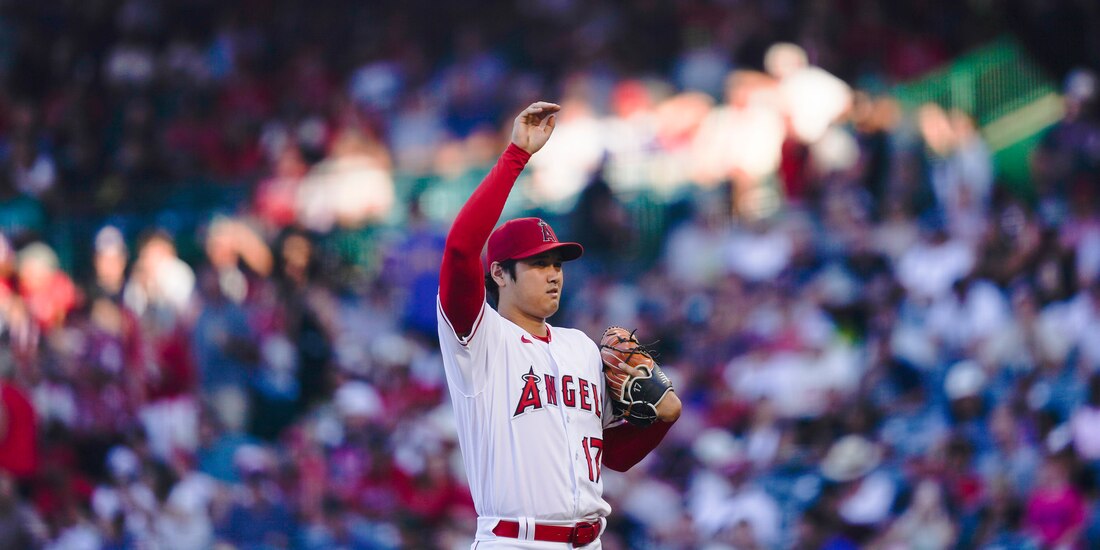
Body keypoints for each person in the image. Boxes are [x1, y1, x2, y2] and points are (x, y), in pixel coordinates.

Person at [437, 101, 681, 549]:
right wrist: (515, 156)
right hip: (515, 541)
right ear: (499, 274)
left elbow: (614, 457)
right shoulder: (478, 337)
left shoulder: (582, 348)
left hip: (589, 541)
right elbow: (458, 250)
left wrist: (661, 421)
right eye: (537, 265)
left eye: (557, 264)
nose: (553, 274)